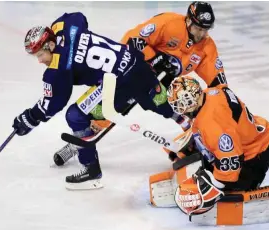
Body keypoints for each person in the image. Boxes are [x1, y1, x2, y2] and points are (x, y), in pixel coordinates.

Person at [13, 12, 173, 190]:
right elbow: (79, 17)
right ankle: (192, 130)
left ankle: (91, 170)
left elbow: (53, 104)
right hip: (135, 62)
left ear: (51, 44)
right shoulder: (64, 26)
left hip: (120, 84)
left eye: (41, 54)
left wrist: (29, 118)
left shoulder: (58, 67)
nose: (40, 60)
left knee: (75, 116)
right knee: (161, 102)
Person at [54, 1, 226, 165]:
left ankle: (203, 141)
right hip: (133, 70)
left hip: (162, 82)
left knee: (187, 99)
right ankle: (78, 143)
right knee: (105, 110)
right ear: (188, 20)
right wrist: (154, 58)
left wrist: (227, 103)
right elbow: (133, 40)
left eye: (205, 30)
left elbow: (217, 80)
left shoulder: (207, 47)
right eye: (198, 28)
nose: (201, 34)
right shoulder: (168, 23)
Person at [148, 76, 269, 226]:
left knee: (229, 192)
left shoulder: (212, 124)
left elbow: (232, 161)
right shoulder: (210, 93)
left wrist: (216, 186)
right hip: (248, 138)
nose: (180, 110)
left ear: (190, 100)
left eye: (180, 105)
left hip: (254, 154)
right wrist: (188, 149)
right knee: (207, 171)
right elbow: (210, 132)